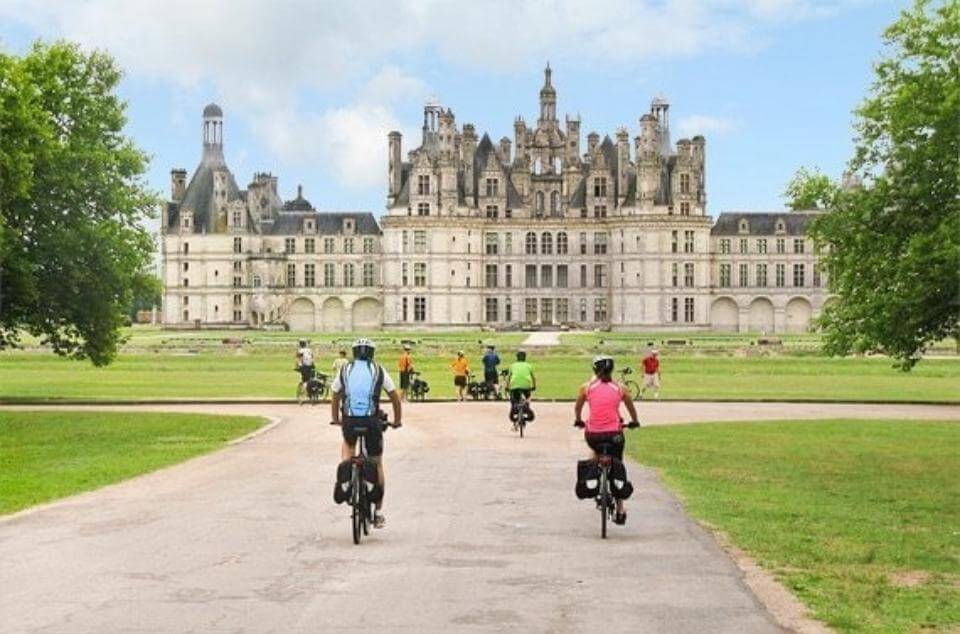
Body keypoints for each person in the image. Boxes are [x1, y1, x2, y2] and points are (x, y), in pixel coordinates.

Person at [330, 338, 402, 529]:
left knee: (347, 444)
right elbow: (394, 397)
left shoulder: (345, 369)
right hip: (371, 421)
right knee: (377, 462)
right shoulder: (378, 369)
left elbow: (335, 395)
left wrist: (336, 418)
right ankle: (378, 512)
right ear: (372, 353)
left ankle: (346, 476)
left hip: (350, 420)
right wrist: (397, 420)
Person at [574, 355, 640, 525]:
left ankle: (593, 475)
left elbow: (578, 407)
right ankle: (620, 508)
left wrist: (579, 419)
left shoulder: (586, 387)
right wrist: (634, 421)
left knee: (595, 451)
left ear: (594, 370)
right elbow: (631, 408)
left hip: (593, 435)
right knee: (617, 462)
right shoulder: (621, 388)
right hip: (614, 435)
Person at [506, 350, 536, 428]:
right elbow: (533, 377)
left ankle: (514, 410)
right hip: (526, 386)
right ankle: (526, 408)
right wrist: (534, 386)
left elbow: (508, 378)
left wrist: (507, 387)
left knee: (513, 400)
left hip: (514, 386)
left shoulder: (513, 366)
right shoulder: (528, 366)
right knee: (527, 398)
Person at [295, 339, 315, 404]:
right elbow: (312, 357)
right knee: (310, 379)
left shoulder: (300, 350)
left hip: (304, 366)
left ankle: (305, 394)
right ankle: (310, 393)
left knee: (305, 380)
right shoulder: (309, 350)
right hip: (311, 366)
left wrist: (297, 367)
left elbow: (299, 359)